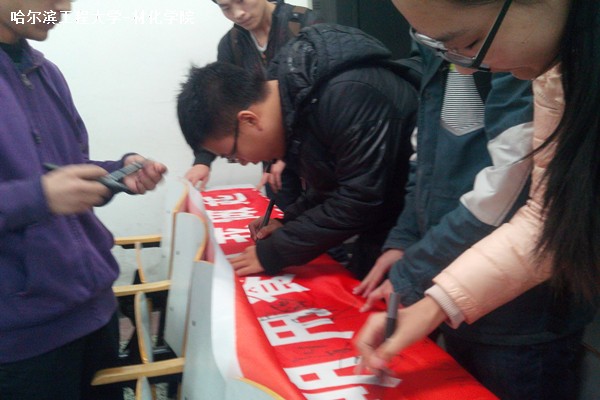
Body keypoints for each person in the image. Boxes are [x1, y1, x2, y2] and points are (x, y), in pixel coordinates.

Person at [355, 0, 600, 394]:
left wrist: (422, 281)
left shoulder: (531, 66)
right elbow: (545, 219)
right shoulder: (550, 70)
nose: (467, 66)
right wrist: (434, 304)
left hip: (527, 320)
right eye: (434, 46)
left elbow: (512, 194)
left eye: (468, 43)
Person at [0, 1, 167, 399]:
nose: (64, 6)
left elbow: (67, 168)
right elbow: (45, 189)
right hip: (24, 339)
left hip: (94, 311)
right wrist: (38, 196)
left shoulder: (46, 73)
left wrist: (117, 173)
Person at [177, 24, 418, 279]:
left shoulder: (345, 94)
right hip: (387, 220)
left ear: (249, 120)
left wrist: (273, 252)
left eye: (233, 155)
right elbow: (330, 185)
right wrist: (287, 222)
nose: (244, 162)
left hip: (415, 227)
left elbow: (358, 199)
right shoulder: (296, 100)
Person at [185, 0, 319, 216]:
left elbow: (321, 101)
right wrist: (203, 161)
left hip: (313, 145)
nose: (238, 13)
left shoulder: (303, 22)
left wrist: (287, 156)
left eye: (241, 1)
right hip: (268, 149)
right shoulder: (232, 43)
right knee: (282, 213)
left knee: (323, 210)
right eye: (226, 7)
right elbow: (222, 105)